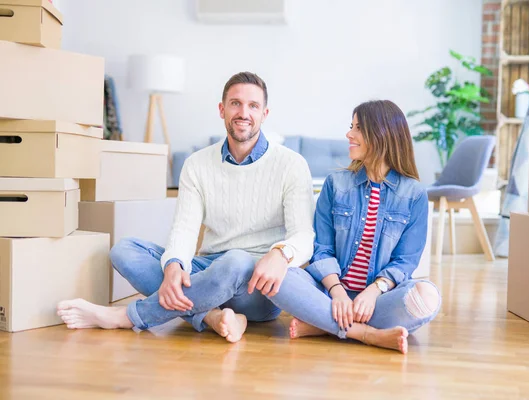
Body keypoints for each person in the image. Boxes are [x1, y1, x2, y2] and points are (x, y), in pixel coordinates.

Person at [56, 72, 315, 342]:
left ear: (264, 113)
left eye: (253, 106)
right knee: (124, 250)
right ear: (221, 109)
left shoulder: (291, 165)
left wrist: (281, 255)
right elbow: (185, 228)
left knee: (236, 260)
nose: (243, 113)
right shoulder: (197, 164)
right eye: (235, 103)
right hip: (207, 270)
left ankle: (127, 317)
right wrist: (174, 264)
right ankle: (211, 316)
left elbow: (304, 236)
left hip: (257, 284)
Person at [269, 100, 441, 353]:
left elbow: (405, 261)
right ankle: (365, 333)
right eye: (352, 127)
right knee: (277, 276)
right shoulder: (336, 184)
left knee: (427, 296)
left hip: (378, 298)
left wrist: (373, 292)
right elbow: (322, 249)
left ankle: (322, 324)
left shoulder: (414, 194)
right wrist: (337, 291)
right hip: (330, 292)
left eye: (358, 128)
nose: (349, 134)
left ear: (382, 134)